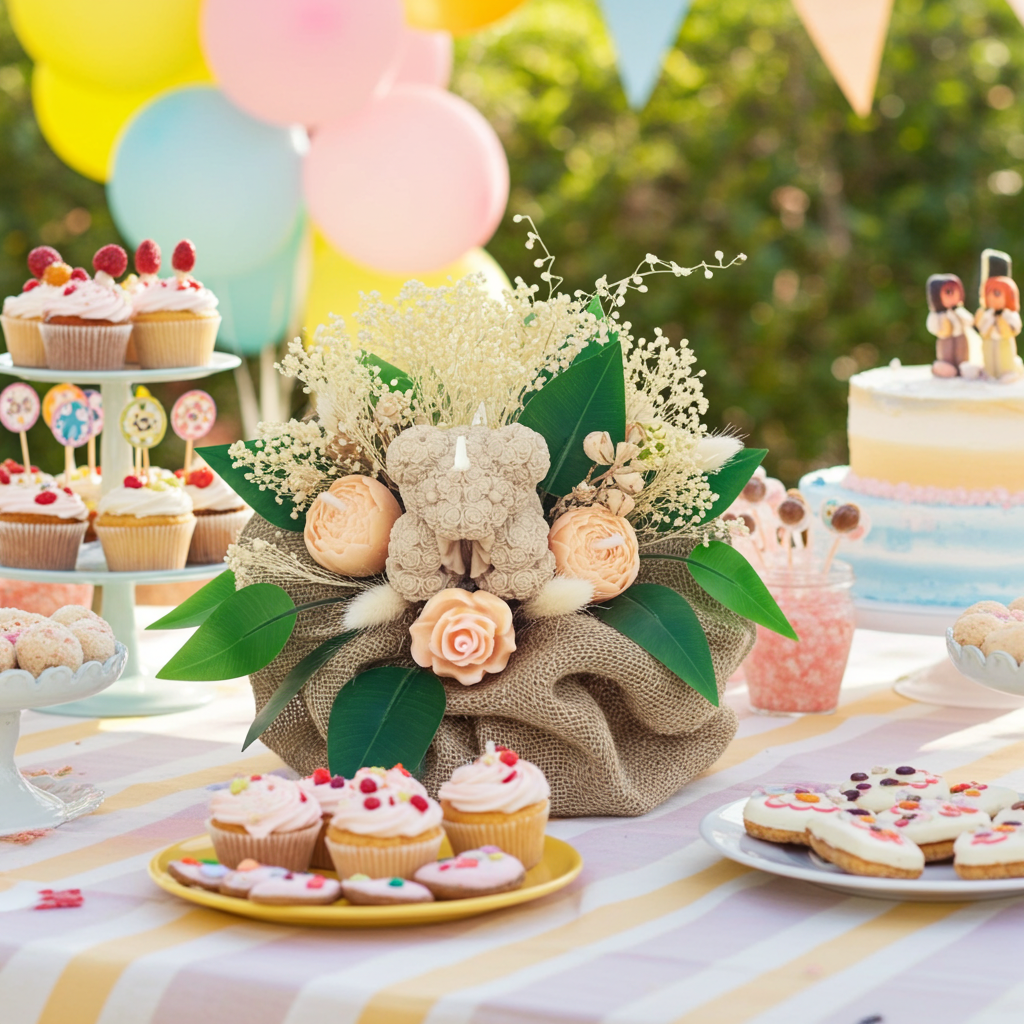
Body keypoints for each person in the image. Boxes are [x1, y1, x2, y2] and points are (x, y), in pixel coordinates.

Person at [975, 275, 1024, 383]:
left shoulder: (1009, 315)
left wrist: (1001, 322)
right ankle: (989, 373)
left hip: (1004, 342)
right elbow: (981, 330)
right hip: (989, 342)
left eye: (996, 293)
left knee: (1005, 359)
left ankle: (1007, 373)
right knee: (989, 358)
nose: (991, 297)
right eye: (988, 293)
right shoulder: (986, 314)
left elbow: (1013, 329)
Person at [925, 273, 974, 378]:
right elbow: (932, 327)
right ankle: (947, 368)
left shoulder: (958, 311)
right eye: (949, 292)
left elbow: (969, 320)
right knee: (947, 354)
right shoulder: (938, 316)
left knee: (962, 353)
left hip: (960, 336)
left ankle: (962, 368)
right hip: (945, 339)